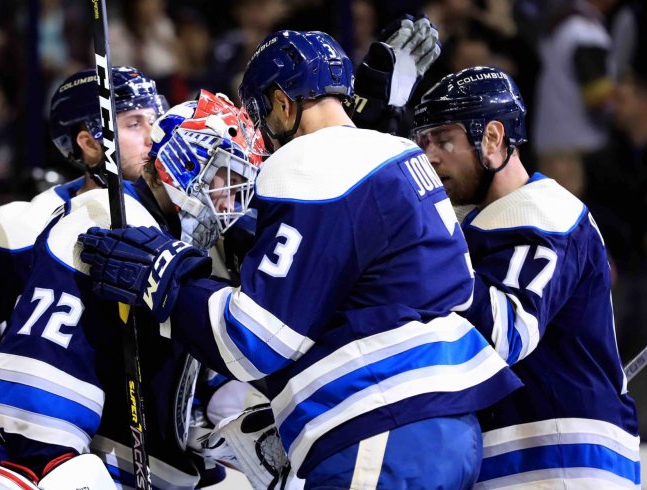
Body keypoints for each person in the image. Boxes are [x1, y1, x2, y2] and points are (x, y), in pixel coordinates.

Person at [78, 30, 522, 488]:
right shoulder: (405, 154)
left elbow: (255, 339)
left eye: (259, 117)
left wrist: (168, 279)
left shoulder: (307, 161)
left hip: (378, 422)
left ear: (282, 103)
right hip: (453, 427)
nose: (262, 143)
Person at [0, 93, 261, 488]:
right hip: (50, 461)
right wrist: (52, 459)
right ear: (188, 163)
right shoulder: (107, 216)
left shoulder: (202, 250)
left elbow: (198, 378)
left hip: (146, 469)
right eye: (228, 176)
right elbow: (42, 353)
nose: (232, 198)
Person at [0, 66, 168, 478]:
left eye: (157, 118)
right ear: (90, 143)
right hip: (34, 462)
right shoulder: (26, 223)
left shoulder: (179, 221)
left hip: (145, 466)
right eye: (133, 122)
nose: (154, 134)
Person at [410, 66, 640, 488]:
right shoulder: (468, 225)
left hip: (562, 460)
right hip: (515, 459)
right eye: (422, 143)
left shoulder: (545, 212)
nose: (430, 157)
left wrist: (423, 245)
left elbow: (507, 333)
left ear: (493, 138)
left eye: (444, 140)